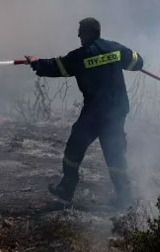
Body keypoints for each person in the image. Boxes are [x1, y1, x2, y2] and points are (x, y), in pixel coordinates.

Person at [26, 17, 143, 207]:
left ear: (89, 32)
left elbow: (57, 66)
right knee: (115, 154)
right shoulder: (115, 48)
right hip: (117, 111)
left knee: (74, 149)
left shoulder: (80, 56)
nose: (78, 35)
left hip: (94, 114)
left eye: (80, 31)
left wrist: (36, 63)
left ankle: (66, 189)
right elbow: (137, 63)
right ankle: (124, 196)